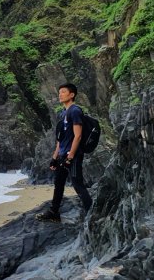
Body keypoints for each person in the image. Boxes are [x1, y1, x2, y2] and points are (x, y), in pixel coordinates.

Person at [36, 83, 92, 223]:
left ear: (72, 95)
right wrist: (54, 158)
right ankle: (54, 212)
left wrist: (70, 156)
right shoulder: (62, 113)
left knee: (77, 184)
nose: (60, 94)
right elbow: (60, 139)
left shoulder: (75, 111)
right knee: (59, 183)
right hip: (62, 155)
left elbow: (77, 136)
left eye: (63, 92)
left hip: (72, 155)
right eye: (59, 92)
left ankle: (92, 214)